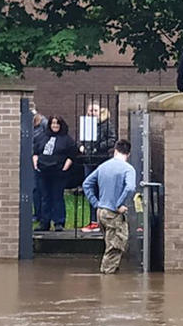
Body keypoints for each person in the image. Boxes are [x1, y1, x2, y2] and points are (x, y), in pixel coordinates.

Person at [82, 139, 137, 274]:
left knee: (110, 245)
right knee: (115, 248)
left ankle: (111, 278)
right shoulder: (128, 169)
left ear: (115, 150)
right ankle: (108, 282)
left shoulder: (103, 166)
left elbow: (86, 184)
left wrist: (96, 203)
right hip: (114, 213)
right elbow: (130, 188)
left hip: (101, 212)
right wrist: (119, 204)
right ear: (128, 154)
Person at [33, 115, 77, 231]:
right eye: (53, 123)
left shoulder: (67, 139)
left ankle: (59, 222)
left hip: (58, 173)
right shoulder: (43, 137)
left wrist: (64, 168)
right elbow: (36, 151)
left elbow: (72, 154)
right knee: (45, 197)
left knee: (57, 197)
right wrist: (36, 164)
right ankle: (45, 222)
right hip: (43, 172)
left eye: (57, 123)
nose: (55, 126)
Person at [78, 102, 116, 231]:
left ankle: (101, 220)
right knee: (89, 189)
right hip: (88, 161)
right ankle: (93, 220)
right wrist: (81, 146)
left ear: (100, 111)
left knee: (101, 190)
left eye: (95, 110)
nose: (92, 113)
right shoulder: (87, 125)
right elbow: (82, 139)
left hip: (101, 160)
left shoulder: (106, 124)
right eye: (90, 110)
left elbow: (112, 139)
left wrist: (98, 147)